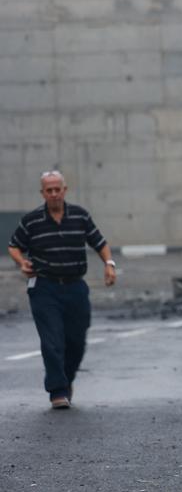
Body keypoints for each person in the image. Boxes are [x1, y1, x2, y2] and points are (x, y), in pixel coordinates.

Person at [7, 171, 116, 409]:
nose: (54, 194)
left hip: (76, 286)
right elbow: (14, 246)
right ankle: (57, 390)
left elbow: (100, 243)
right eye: (49, 190)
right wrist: (21, 262)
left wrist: (109, 264)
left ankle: (66, 381)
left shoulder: (80, 216)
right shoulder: (32, 220)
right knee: (52, 341)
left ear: (65, 190)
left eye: (58, 189)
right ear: (43, 193)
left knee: (76, 342)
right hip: (44, 288)